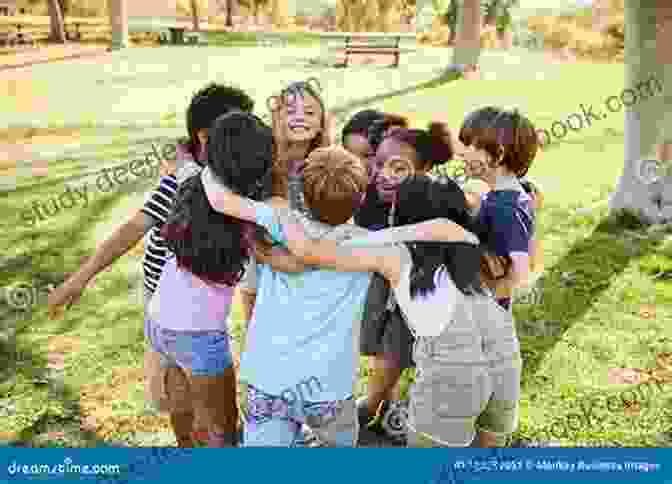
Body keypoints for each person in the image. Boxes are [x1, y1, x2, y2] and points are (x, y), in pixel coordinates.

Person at [201, 144, 476, 447]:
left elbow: (220, 199)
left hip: (269, 380)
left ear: (302, 195)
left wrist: (205, 162)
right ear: (360, 200)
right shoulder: (370, 245)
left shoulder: (280, 220)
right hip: (329, 385)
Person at [46, 83, 257, 447]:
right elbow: (132, 229)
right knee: (192, 406)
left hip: (174, 312)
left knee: (190, 395)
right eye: (237, 128)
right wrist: (79, 278)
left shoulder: (222, 178)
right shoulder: (182, 184)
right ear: (205, 138)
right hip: (172, 306)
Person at [277, 175, 522, 448]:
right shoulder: (471, 246)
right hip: (505, 355)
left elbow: (307, 252)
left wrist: (275, 214)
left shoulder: (396, 253)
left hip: (454, 368)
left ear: (402, 213)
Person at [146, 111, 276, 447]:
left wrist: (187, 153)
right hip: (199, 333)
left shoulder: (192, 182)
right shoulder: (247, 211)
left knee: (182, 407)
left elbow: (184, 159)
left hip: (159, 320)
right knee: (225, 427)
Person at [353, 122, 455, 444]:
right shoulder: (372, 194)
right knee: (383, 346)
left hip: (416, 289)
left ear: (424, 169)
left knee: (395, 348)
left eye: (397, 167)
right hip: (384, 283)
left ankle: (370, 406)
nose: (382, 172)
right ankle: (389, 404)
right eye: (378, 162)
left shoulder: (436, 198)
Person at [457, 107, 541, 310]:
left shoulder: (506, 207)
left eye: (468, 144)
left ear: (498, 155)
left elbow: (521, 268)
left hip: (486, 312)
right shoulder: (503, 197)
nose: (461, 152)